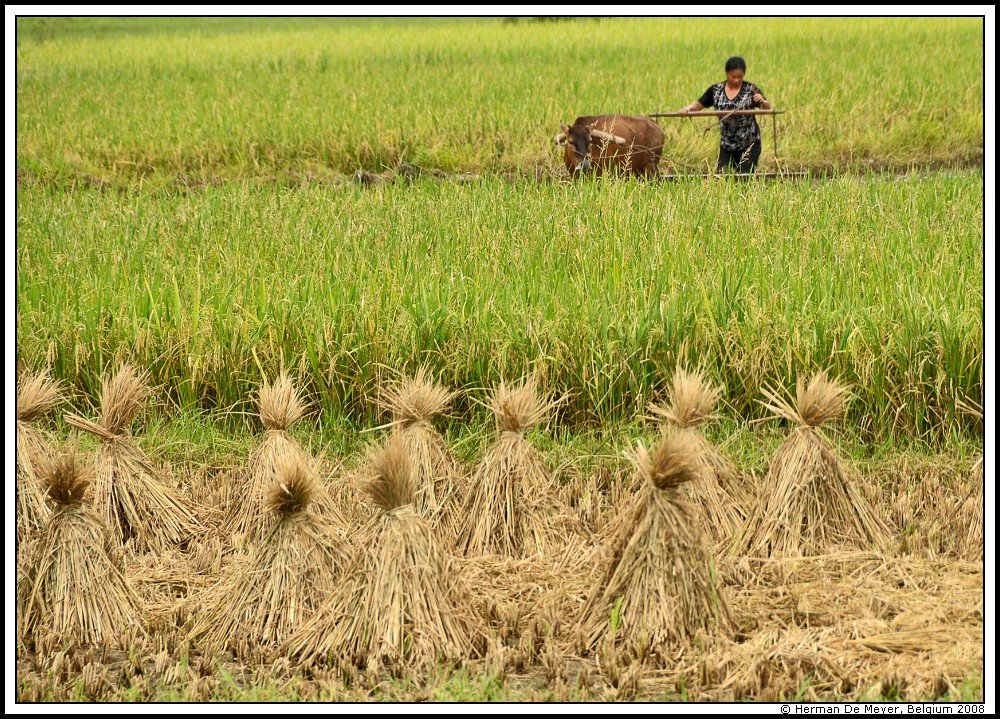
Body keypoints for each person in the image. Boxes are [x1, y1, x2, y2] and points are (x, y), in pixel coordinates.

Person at [677, 56, 771, 174]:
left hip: (749, 143)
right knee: (721, 176)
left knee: (744, 177)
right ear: (727, 73)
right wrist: (686, 110)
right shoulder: (716, 90)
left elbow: (766, 108)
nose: (736, 80)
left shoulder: (750, 89)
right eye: (733, 76)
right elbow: (698, 105)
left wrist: (762, 100)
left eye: (740, 77)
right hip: (727, 144)